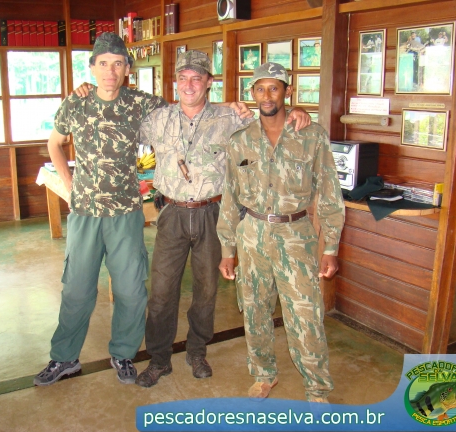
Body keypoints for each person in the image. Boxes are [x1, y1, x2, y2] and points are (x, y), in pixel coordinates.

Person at [133, 51, 311, 388]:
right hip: (171, 213)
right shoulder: (158, 119)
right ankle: (158, 359)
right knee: (161, 292)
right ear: (175, 82)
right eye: (183, 78)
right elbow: (123, 129)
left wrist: (296, 110)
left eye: (197, 78)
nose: (189, 85)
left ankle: (197, 352)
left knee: (206, 290)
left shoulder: (230, 118)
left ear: (208, 83)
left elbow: (271, 118)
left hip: (213, 214)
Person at [33, 32, 169, 387]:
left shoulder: (141, 103)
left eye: (118, 63)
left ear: (127, 69)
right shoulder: (75, 103)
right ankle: (64, 357)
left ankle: (123, 353)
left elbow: (187, 109)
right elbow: (54, 143)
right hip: (85, 214)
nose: (111, 71)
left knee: (131, 290)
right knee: (76, 290)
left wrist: (232, 108)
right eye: (104, 63)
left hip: (125, 213)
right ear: (92, 67)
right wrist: (68, 185)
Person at [217, 62, 345, 402]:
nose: (267, 95)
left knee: (305, 315)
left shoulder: (311, 136)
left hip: (296, 235)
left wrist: (330, 247)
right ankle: (263, 375)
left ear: (288, 92)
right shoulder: (240, 141)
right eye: (260, 89)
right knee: (255, 310)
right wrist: (227, 250)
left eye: (274, 88)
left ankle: (317, 388)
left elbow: (330, 193)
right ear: (252, 94)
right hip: (252, 234)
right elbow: (229, 197)